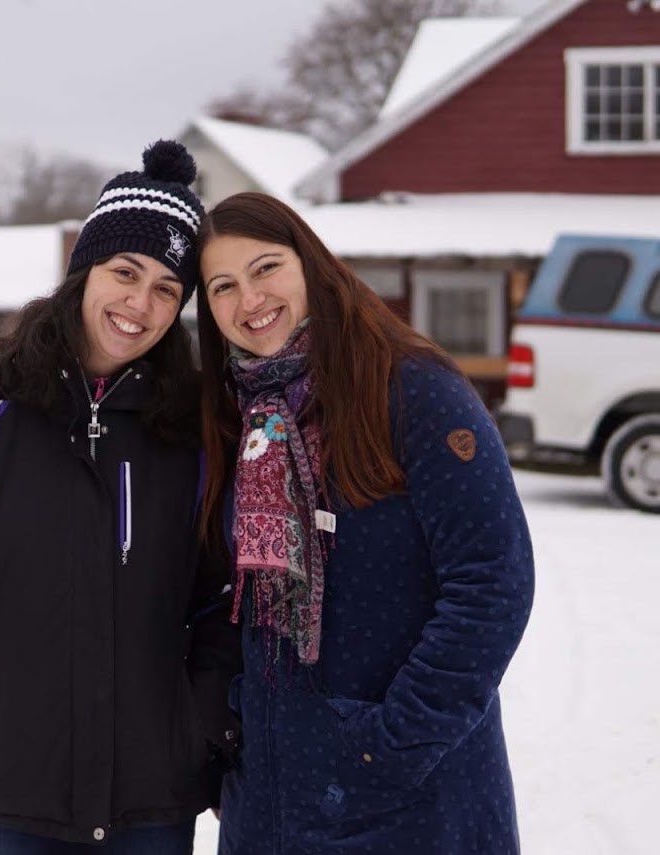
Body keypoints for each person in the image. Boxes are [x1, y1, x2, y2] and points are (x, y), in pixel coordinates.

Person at [0, 140, 241, 853]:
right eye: (126, 272)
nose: (141, 302)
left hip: (152, 804)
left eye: (167, 287)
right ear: (83, 272)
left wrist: (198, 732)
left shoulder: (197, 437)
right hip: (7, 801)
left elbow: (224, 602)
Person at [194, 192, 534, 854]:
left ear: (310, 263)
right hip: (270, 799)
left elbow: (494, 581)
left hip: (410, 794)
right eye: (223, 285)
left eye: (266, 268)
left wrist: (392, 745)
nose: (249, 298)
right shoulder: (236, 416)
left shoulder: (412, 388)